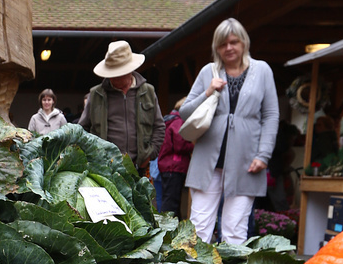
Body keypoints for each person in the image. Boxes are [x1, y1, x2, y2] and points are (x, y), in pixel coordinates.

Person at [179, 17, 278, 246]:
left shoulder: (262, 70)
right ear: (216, 47)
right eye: (223, 44)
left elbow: (271, 115)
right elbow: (184, 112)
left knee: (235, 229)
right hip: (207, 161)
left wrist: (263, 155)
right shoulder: (208, 72)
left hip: (246, 162)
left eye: (234, 42)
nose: (229, 48)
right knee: (199, 226)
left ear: (244, 43)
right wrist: (207, 91)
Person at [79, 40, 165, 169]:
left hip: (139, 167)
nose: (112, 78)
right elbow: (81, 130)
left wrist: (150, 154)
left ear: (129, 71)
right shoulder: (96, 94)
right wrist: (93, 155)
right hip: (104, 168)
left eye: (117, 74)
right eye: (110, 73)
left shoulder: (148, 92)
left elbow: (159, 127)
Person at [157, 98, 193, 215]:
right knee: (171, 202)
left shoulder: (169, 120)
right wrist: (195, 145)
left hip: (168, 165)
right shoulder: (178, 122)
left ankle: (171, 227)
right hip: (175, 165)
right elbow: (180, 145)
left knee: (170, 198)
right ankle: (167, 229)